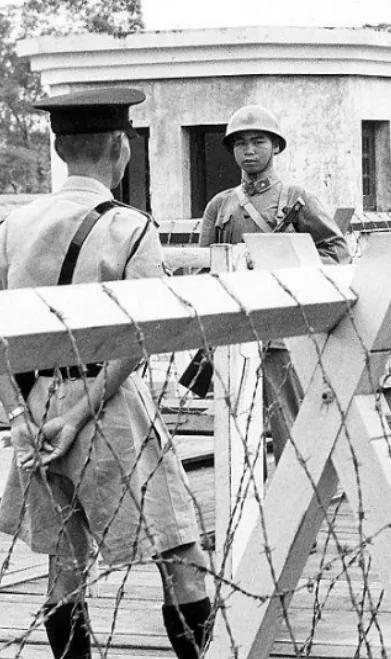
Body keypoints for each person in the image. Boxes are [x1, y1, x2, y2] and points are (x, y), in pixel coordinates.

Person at [0, 89, 211, 658]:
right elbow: (139, 339)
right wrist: (77, 415)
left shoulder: (13, 226)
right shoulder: (129, 227)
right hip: (105, 407)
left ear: (60, 149)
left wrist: (19, 414)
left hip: (33, 406)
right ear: (121, 147)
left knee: (64, 565)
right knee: (179, 551)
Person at [198, 104, 349, 471]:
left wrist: (285, 263)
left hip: (283, 333)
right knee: (238, 430)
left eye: (258, 142)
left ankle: (297, 496)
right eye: (240, 144)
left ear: (276, 146)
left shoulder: (296, 199)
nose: (249, 151)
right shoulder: (220, 205)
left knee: (289, 425)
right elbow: (203, 265)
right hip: (234, 330)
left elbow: (338, 252)